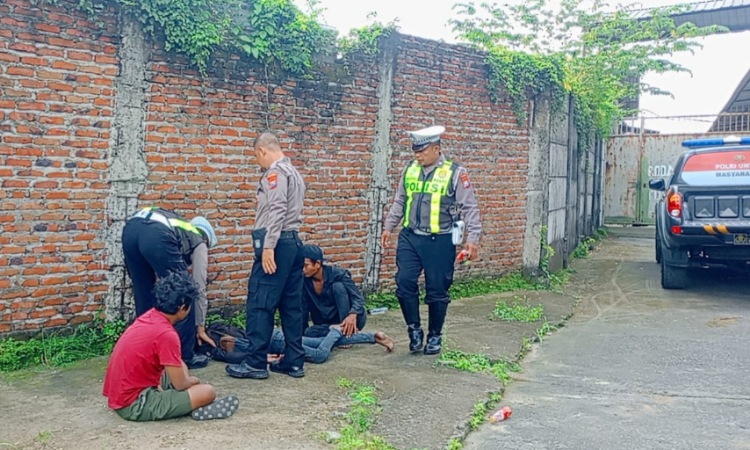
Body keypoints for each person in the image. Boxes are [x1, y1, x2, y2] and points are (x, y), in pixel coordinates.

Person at [381, 125, 482, 355]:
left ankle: (435, 335)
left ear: (436, 149)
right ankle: (414, 329)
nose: (417, 155)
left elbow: (470, 207)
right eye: (415, 151)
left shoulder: (455, 173)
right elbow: (400, 200)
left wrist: (473, 239)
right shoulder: (410, 169)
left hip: (440, 240)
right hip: (410, 237)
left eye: (422, 151)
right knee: (404, 282)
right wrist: (389, 226)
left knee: (437, 290)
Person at [103, 271, 239, 422]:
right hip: (133, 404)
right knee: (207, 392)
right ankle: (191, 406)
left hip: (123, 392)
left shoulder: (150, 316)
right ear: (182, 308)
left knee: (179, 364)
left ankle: (184, 403)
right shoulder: (167, 334)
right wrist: (192, 381)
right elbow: (181, 384)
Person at [226, 132, 307, 380]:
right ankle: (294, 361)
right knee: (291, 305)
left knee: (260, 302)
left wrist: (268, 246)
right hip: (293, 242)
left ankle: (255, 363)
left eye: (256, 156)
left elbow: (277, 208)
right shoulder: (294, 172)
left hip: (277, 244)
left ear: (262, 150)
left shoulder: (275, 173)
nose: (258, 162)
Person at [122, 206, 218, 369]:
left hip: (130, 230)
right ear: (207, 237)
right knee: (185, 292)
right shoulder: (199, 241)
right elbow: (199, 288)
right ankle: (185, 356)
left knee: (143, 293)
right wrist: (200, 327)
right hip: (154, 234)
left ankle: (146, 349)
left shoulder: (179, 227)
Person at [230, 326, 394, 364]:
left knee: (319, 355)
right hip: (276, 335)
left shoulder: (226, 344)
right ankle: (373, 337)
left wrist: (263, 357)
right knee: (322, 343)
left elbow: (246, 350)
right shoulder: (227, 337)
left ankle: (336, 330)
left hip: (278, 342)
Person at [301, 245, 367, 339]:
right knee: (309, 332)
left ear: (318, 264)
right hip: (327, 324)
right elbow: (303, 309)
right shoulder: (304, 281)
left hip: (350, 318)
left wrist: (352, 314)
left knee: (338, 287)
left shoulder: (338, 274)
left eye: (306, 266)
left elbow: (358, 298)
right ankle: (338, 331)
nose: (303, 269)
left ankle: (346, 332)